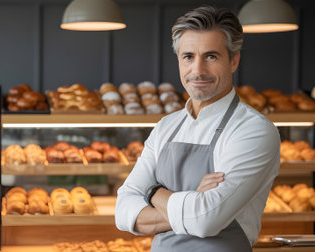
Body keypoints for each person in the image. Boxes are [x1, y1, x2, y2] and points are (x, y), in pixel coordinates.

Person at [115, 5, 280, 251]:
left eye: (211, 56)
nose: (198, 70)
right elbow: (123, 213)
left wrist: (151, 192)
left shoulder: (254, 130)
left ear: (234, 60)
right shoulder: (166, 127)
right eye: (188, 57)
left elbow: (205, 221)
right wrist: (193, 200)